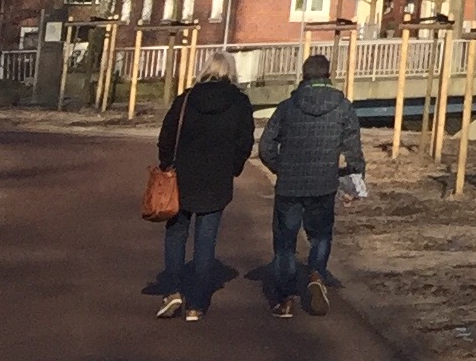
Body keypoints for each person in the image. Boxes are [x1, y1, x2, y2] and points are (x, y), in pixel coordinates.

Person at [255, 51, 368, 318]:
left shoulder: (287, 107)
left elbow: (266, 146)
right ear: (329, 75)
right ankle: (316, 272)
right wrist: (355, 178)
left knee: (285, 242)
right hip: (324, 182)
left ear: (303, 76)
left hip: (290, 185)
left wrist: (280, 168)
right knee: (320, 234)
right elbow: (353, 149)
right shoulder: (343, 107)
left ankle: (286, 299)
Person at [151, 59, 255, 322]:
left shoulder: (185, 100)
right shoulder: (240, 103)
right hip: (217, 179)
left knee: (176, 236)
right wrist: (233, 167)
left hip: (182, 176)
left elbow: (166, 136)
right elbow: (245, 142)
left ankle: (173, 291)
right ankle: (196, 303)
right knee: (205, 242)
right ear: (231, 72)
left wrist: (167, 164)